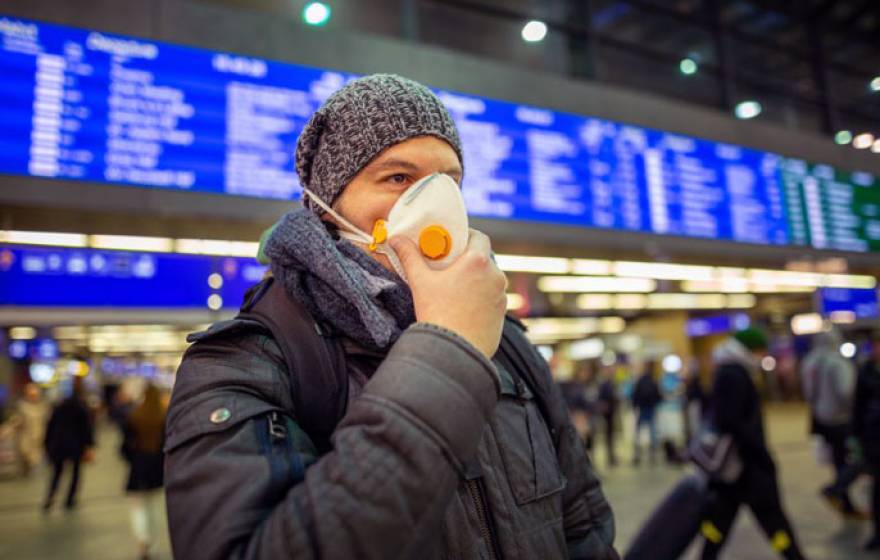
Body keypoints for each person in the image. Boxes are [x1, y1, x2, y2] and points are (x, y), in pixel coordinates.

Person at [164, 74, 618, 559]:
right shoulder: (246, 364)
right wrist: (448, 350)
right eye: (398, 177)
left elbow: (583, 528)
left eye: (449, 181)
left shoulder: (506, 343)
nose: (435, 204)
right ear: (327, 206)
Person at [699, 329, 805, 560]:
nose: (763, 355)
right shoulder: (735, 374)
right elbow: (733, 421)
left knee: (720, 523)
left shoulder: (728, 371)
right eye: (761, 350)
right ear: (750, 349)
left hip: (734, 470)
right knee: (773, 521)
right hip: (746, 466)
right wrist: (761, 456)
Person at [799, 330, 859, 515]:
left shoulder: (809, 361)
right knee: (857, 458)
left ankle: (845, 500)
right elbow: (846, 392)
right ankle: (837, 489)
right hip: (841, 419)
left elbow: (807, 392)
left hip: (820, 417)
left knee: (838, 458)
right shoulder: (838, 363)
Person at [122, 383, 166, 560]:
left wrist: (132, 459)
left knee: (138, 507)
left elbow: (125, 445)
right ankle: (152, 544)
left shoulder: (134, 416)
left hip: (138, 467)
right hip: (157, 468)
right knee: (155, 507)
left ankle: (142, 540)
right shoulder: (164, 417)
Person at [43, 377, 94, 512]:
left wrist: (47, 444)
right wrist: (89, 446)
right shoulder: (81, 409)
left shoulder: (59, 408)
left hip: (59, 444)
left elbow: (50, 427)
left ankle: (50, 497)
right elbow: (87, 429)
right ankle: (70, 499)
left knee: (57, 473)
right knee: (75, 473)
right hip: (76, 445)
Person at [853, 336, 880, 551]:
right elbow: (858, 406)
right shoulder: (866, 371)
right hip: (874, 439)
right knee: (877, 489)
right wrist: (856, 437)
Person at [631, 361, 662, 465]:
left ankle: (637, 453)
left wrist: (635, 406)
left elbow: (635, 395)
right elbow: (658, 395)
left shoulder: (640, 381)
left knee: (638, 432)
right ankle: (652, 453)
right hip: (651, 408)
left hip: (642, 408)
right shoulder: (653, 380)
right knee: (652, 431)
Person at [15, 383, 48, 476]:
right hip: (26, 436)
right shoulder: (22, 406)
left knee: (35, 457)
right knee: (25, 453)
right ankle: (25, 468)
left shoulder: (43, 407)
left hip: (39, 435)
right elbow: (16, 420)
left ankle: (29, 468)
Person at [597, 366, 619, 466]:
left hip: (611, 412)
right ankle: (610, 456)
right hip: (607, 413)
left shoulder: (611, 383)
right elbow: (603, 398)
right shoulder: (605, 384)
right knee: (608, 435)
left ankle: (611, 455)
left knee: (611, 435)